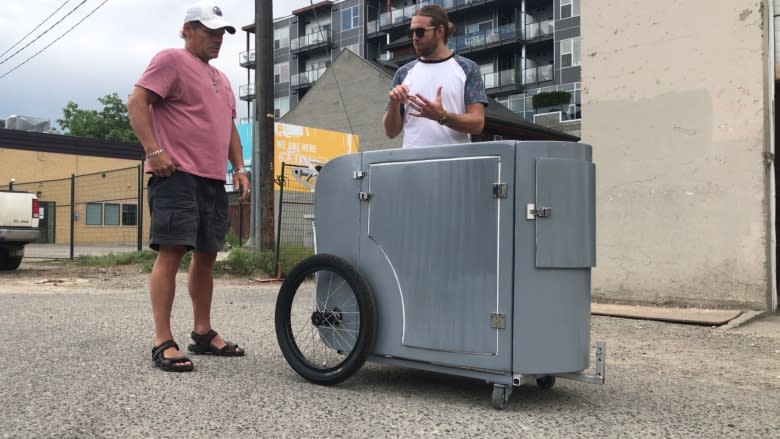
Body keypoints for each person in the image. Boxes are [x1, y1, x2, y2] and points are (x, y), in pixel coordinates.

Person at [127, 1, 250, 372]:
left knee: (207, 256)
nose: (217, 40)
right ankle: (162, 340)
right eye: (209, 32)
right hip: (175, 175)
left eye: (221, 34)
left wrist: (240, 168)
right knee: (172, 253)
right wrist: (154, 150)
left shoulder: (223, 79)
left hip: (212, 179)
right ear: (188, 29)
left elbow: (228, 128)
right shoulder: (170, 60)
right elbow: (137, 101)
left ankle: (202, 333)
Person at [383, 5, 488, 148]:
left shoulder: (467, 68)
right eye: (411, 32)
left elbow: (477, 124)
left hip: (453, 163)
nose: (414, 38)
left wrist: (442, 116)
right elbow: (390, 132)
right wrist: (394, 104)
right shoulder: (403, 72)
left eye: (420, 32)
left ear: (439, 31)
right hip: (413, 165)